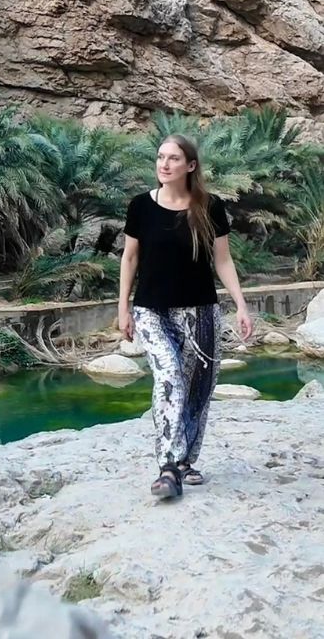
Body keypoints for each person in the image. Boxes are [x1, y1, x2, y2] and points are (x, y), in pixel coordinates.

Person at [118, 133, 253, 499]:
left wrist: (240, 304)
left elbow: (222, 260)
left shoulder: (210, 207)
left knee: (198, 390)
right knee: (170, 380)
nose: (164, 164)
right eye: (160, 157)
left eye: (173, 158)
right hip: (152, 310)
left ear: (190, 165)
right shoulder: (140, 207)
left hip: (201, 311)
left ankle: (184, 461)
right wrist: (123, 308)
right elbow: (130, 258)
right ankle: (167, 468)